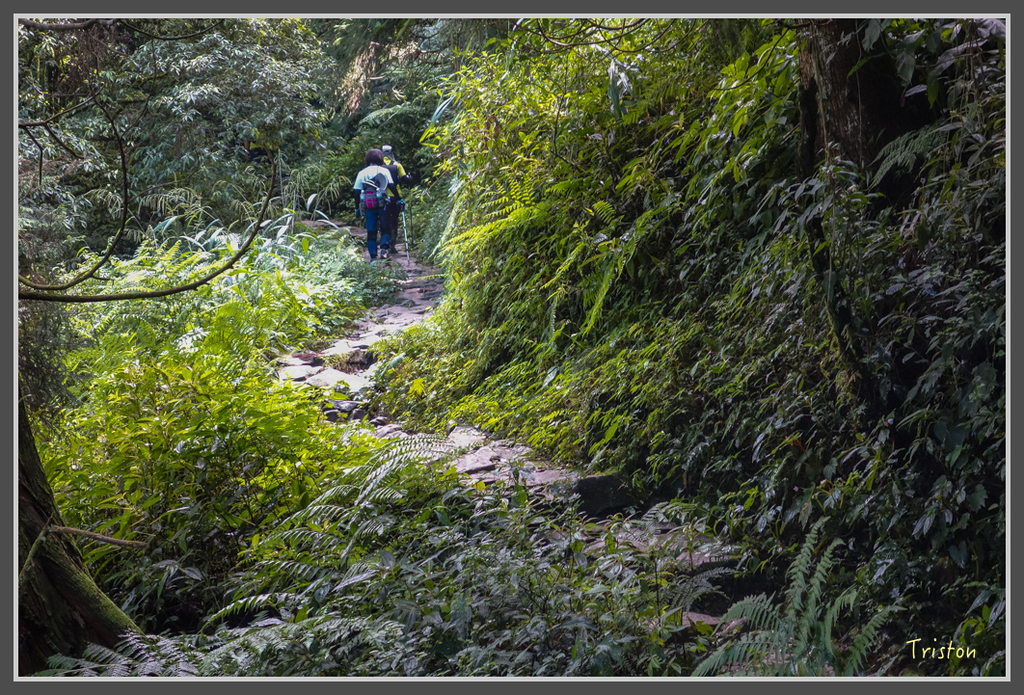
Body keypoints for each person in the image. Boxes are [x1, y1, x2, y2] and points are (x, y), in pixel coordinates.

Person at [352, 148, 394, 261]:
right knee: (385, 227)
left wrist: (357, 208)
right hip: (383, 204)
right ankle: (384, 249)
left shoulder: (362, 172)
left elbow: (356, 192)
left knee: (371, 230)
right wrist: (398, 199)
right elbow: (391, 186)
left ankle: (373, 256)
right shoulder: (384, 171)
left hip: (368, 205)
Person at [381, 145, 411, 250]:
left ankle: (385, 244)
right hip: (395, 197)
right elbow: (405, 179)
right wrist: (410, 178)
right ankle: (392, 245)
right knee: (394, 220)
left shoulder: (378, 165)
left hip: (382, 197)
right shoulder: (397, 165)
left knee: (384, 220)